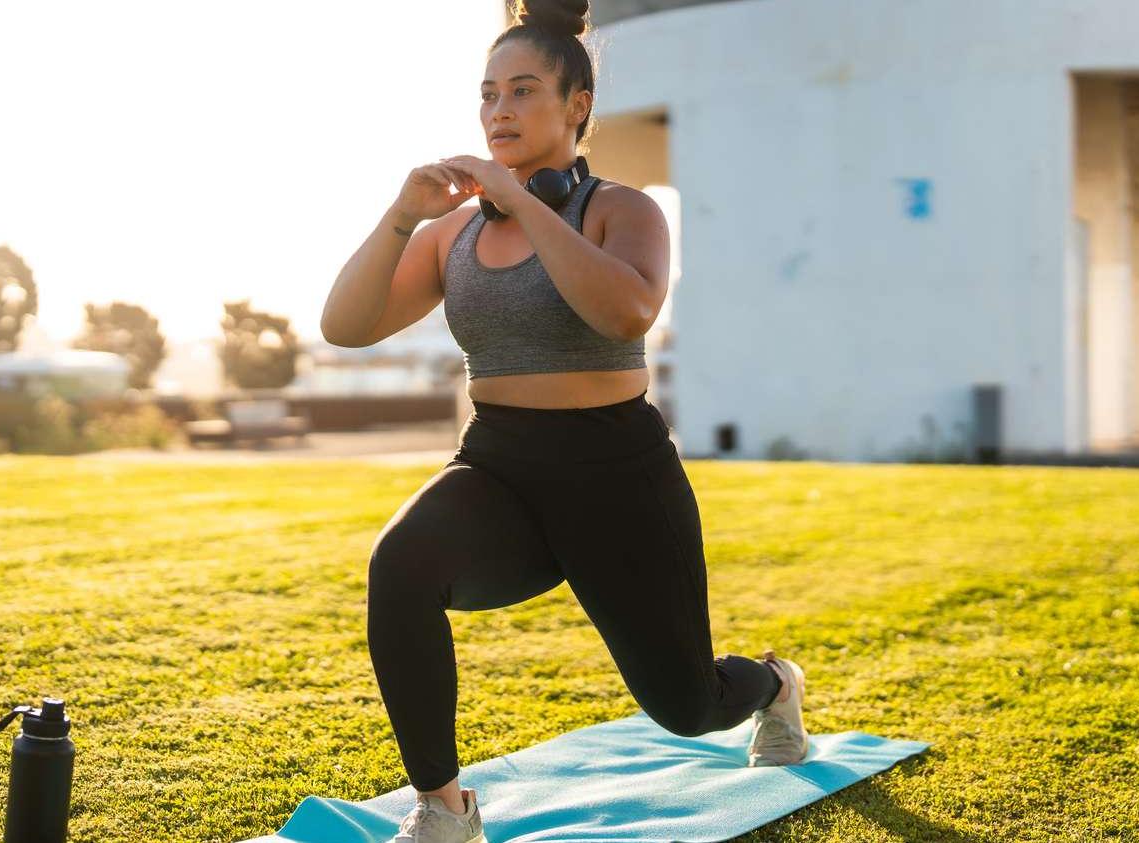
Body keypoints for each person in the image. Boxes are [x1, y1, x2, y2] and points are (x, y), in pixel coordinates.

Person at [320, 2, 808, 839]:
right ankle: (443, 809)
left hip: (616, 476)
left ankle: (772, 684)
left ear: (576, 105)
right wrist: (401, 215)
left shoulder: (622, 212)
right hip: (501, 469)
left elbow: (626, 313)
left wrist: (523, 200)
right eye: (487, 95)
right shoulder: (450, 239)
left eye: (522, 91)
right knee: (400, 564)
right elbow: (346, 325)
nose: (499, 111)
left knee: (688, 707)